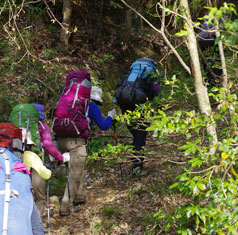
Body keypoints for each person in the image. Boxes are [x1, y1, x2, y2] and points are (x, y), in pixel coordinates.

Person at [57, 85, 116, 216]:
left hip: (61, 140)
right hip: (76, 142)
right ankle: (66, 206)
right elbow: (104, 126)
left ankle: (78, 195)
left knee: (77, 169)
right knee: (75, 173)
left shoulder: (68, 104)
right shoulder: (92, 107)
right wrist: (111, 116)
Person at [115, 58, 161, 176]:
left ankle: (135, 158)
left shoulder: (129, 76)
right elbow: (157, 92)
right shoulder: (150, 76)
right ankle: (137, 167)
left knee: (136, 135)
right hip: (141, 109)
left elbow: (118, 88)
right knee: (140, 137)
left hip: (125, 107)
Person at [28, 104, 70, 214]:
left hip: (18, 163)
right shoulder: (41, 126)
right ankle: (35, 227)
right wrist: (61, 158)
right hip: (36, 163)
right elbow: (48, 146)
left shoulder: (18, 126)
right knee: (39, 198)